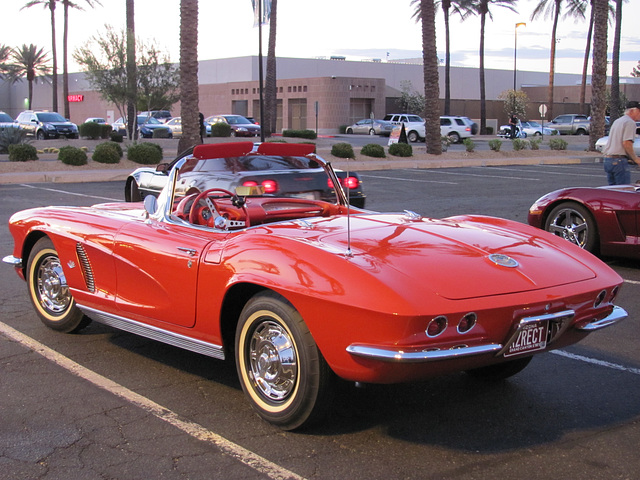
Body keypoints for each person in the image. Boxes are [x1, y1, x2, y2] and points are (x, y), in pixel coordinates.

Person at [602, 101, 640, 185]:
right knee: (623, 191)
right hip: (619, 161)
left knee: (613, 191)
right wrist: (636, 159)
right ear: (632, 111)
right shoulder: (630, 122)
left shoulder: (618, 121)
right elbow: (627, 143)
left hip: (608, 160)